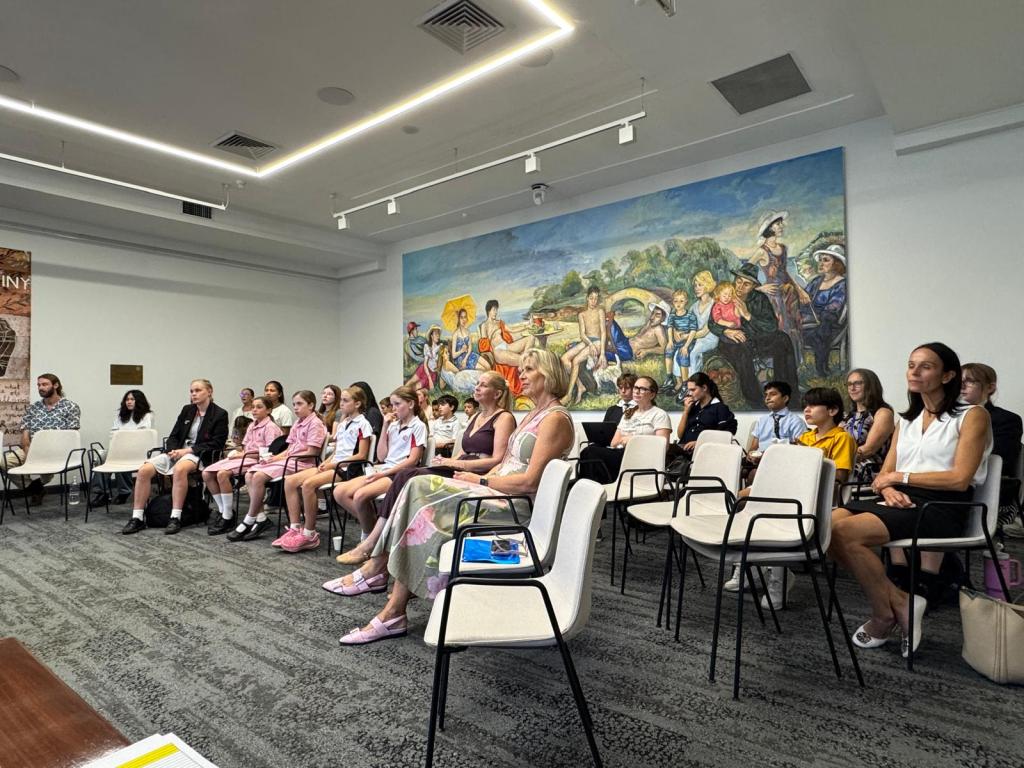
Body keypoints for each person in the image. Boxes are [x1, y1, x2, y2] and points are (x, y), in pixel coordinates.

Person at [333, 348, 574, 646]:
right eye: (521, 369)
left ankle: (383, 583)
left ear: (549, 375)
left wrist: (480, 479)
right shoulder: (534, 415)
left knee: (419, 490)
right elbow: (505, 463)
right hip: (497, 493)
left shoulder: (555, 419)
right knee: (417, 490)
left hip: (514, 507)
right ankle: (386, 591)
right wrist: (470, 477)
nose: (521, 375)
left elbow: (530, 481)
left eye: (529, 370)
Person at [830, 343, 992, 657]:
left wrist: (898, 479)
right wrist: (889, 489)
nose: (914, 372)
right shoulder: (907, 420)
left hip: (943, 505)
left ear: (947, 376)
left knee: (845, 532)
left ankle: (883, 614)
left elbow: (959, 479)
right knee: (827, 526)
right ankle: (900, 601)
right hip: (901, 499)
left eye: (925, 366)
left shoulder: (972, 415)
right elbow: (884, 475)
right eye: (911, 365)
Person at [331, 371, 517, 567]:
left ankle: (373, 542)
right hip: (460, 466)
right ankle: (378, 542)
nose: (477, 387)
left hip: (475, 473)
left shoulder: (503, 418)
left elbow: (498, 459)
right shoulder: (476, 417)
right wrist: (447, 461)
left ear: (497, 393)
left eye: (483, 385)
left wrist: (458, 464)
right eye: (477, 383)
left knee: (405, 475)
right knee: (405, 476)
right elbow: (463, 452)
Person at [324, 386, 429, 560]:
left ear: (410, 404)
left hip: (402, 473)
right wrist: (386, 426)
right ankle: (376, 533)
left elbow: (413, 460)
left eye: (397, 404)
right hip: (385, 468)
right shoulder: (393, 425)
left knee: (360, 496)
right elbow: (381, 456)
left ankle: (368, 539)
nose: (393, 408)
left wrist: (383, 474)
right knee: (339, 492)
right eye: (392, 404)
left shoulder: (418, 426)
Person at [122, 379, 228, 535]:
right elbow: (174, 435)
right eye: (191, 391)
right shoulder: (187, 410)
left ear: (209, 391)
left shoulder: (219, 414)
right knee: (144, 470)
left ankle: (175, 517)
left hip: (199, 454)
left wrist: (187, 451)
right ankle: (137, 518)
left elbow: (216, 443)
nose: (194, 394)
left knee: (180, 469)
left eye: (198, 390)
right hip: (178, 452)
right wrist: (172, 450)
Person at [273, 386, 374, 545]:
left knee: (308, 485)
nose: (341, 403)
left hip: (347, 468)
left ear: (357, 404)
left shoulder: (363, 424)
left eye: (345, 400)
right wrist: (326, 462)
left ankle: (310, 533)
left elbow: (361, 455)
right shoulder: (343, 424)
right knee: (290, 481)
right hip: (334, 464)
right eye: (341, 400)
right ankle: (295, 528)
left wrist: (333, 465)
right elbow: (337, 451)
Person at [235, 390, 328, 551]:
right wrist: (275, 458)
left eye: (299, 404)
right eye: (294, 404)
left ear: (311, 405)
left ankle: (250, 518)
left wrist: (286, 458)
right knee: (250, 473)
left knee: (258, 476)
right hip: (289, 461)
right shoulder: (297, 423)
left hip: (303, 464)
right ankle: (261, 517)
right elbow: (288, 449)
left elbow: (312, 452)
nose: (295, 408)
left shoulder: (315, 423)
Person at [707, 263, 800, 409]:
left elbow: (771, 326)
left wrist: (747, 315)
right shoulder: (725, 295)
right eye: (738, 281)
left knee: (783, 339)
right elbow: (712, 323)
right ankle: (755, 400)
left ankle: (786, 392)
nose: (740, 286)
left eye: (746, 284)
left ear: (753, 286)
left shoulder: (759, 298)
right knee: (742, 350)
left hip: (758, 339)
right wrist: (725, 331)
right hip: (733, 341)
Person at [201, 396, 283, 536]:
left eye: (259, 407)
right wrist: (238, 453)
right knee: (206, 473)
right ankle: (223, 510)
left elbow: (269, 453)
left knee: (222, 474)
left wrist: (241, 455)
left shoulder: (270, 427)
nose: (254, 410)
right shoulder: (252, 425)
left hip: (256, 460)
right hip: (244, 457)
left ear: (269, 410)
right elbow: (244, 447)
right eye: (253, 407)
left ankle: (227, 517)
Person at [960, 363, 1022, 534]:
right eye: (958, 381)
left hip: (985, 489)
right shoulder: (946, 418)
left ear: (990, 387)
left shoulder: (1006, 419)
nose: (962, 386)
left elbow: (1001, 459)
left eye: (970, 381)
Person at [4, 374, 82, 503]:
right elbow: (25, 436)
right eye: (39, 385)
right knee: (3, 463)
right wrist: (29, 455)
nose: (40, 387)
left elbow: (71, 436)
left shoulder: (71, 407)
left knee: (46, 471)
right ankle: (35, 488)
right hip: (31, 450)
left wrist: (50, 452)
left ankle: (38, 486)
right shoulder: (33, 408)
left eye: (45, 384)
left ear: (55, 385)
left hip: (56, 452)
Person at [578, 377, 671, 483]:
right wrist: (626, 440)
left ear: (652, 394)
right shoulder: (628, 413)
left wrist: (633, 439)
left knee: (591, 453)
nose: (636, 391)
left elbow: (663, 447)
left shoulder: (659, 414)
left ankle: (593, 487)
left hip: (641, 457)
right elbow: (614, 443)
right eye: (635, 388)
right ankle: (593, 486)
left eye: (642, 389)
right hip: (621, 453)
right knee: (589, 450)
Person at [747, 211, 808, 352]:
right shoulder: (762, 252)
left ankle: (796, 360)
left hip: (789, 295)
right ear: (769, 228)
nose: (782, 226)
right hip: (773, 297)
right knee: (781, 327)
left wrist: (800, 290)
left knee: (794, 327)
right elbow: (744, 274)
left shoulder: (783, 248)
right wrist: (760, 288)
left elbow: (785, 273)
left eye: (781, 223)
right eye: (778, 224)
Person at [91, 389, 154, 506]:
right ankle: (102, 493)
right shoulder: (121, 415)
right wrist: (122, 437)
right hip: (119, 448)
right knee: (101, 457)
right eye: (127, 399)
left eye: (132, 399)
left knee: (120, 457)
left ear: (139, 401)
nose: (129, 402)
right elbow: (113, 434)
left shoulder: (147, 415)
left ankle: (124, 492)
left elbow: (142, 435)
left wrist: (122, 436)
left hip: (137, 450)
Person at [840, 368, 895, 484]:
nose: (852, 388)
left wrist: (837, 458)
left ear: (870, 386)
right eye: (849, 384)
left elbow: (868, 450)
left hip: (868, 473)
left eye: (857, 383)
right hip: (845, 468)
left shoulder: (883, 413)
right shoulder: (846, 416)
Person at [800, 244, 848, 375]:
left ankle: (822, 370)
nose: (821, 263)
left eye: (826, 260)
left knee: (822, 328)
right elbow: (803, 301)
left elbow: (834, 307)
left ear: (837, 264)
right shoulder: (816, 281)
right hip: (810, 322)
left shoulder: (842, 284)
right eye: (820, 260)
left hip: (830, 324)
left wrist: (815, 313)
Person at [561, 286, 607, 405]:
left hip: (598, 341)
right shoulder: (582, 314)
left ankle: (568, 395)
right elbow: (582, 334)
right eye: (591, 298)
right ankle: (580, 385)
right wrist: (589, 344)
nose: (594, 301)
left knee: (576, 360)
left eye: (596, 298)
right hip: (587, 341)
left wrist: (602, 353)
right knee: (564, 358)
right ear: (587, 298)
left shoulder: (600, 312)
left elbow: (603, 332)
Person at [674, 372, 738, 457]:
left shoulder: (720, 408)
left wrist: (699, 443)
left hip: (704, 454)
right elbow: (680, 435)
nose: (690, 393)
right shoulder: (692, 407)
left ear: (704, 388)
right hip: (683, 452)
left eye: (693, 390)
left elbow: (725, 436)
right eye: (689, 390)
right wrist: (685, 412)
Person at [478, 299, 534, 396]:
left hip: (507, 346)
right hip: (498, 351)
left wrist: (527, 325)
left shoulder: (499, 322)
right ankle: (523, 368)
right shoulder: (484, 325)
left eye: (496, 310)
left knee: (531, 338)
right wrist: (490, 338)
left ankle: (521, 367)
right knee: (522, 359)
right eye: (494, 310)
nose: (495, 312)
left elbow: (512, 329)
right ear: (488, 310)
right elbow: (483, 345)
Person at [663, 289, 699, 398]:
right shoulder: (672, 315)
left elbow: (693, 331)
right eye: (676, 301)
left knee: (682, 355)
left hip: (688, 341)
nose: (678, 304)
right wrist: (670, 341)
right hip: (676, 341)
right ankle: (669, 378)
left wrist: (686, 346)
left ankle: (684, 385)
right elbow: (670, 328)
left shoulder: (690, 316)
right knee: (668, 350)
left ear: (686, 302)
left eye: (681, 301)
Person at [686, 271, 719, 376]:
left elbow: (705, 332)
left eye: (700, 285)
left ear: (708, 285)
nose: (696, 288)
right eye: (695, 285)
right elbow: (687, 325)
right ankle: (682, 380)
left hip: (710, 339)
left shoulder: (715, 305)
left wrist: (686, 336)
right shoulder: (694, 306)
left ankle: (693, 381)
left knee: (693, 353)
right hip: (695, 338)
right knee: (680, 351)